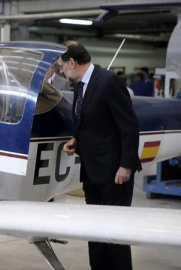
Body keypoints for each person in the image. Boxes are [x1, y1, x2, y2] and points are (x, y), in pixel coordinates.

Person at [59, 42, 141, 270]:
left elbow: (129, 127)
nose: (61, 72)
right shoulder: (80, 85)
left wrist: (126, 166)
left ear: (72, 63)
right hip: (92, 172)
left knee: (115, 234)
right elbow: (88, 121)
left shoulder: (108, 81)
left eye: (61, 67)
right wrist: (76, 139)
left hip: (115, 174)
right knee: (94, 231)